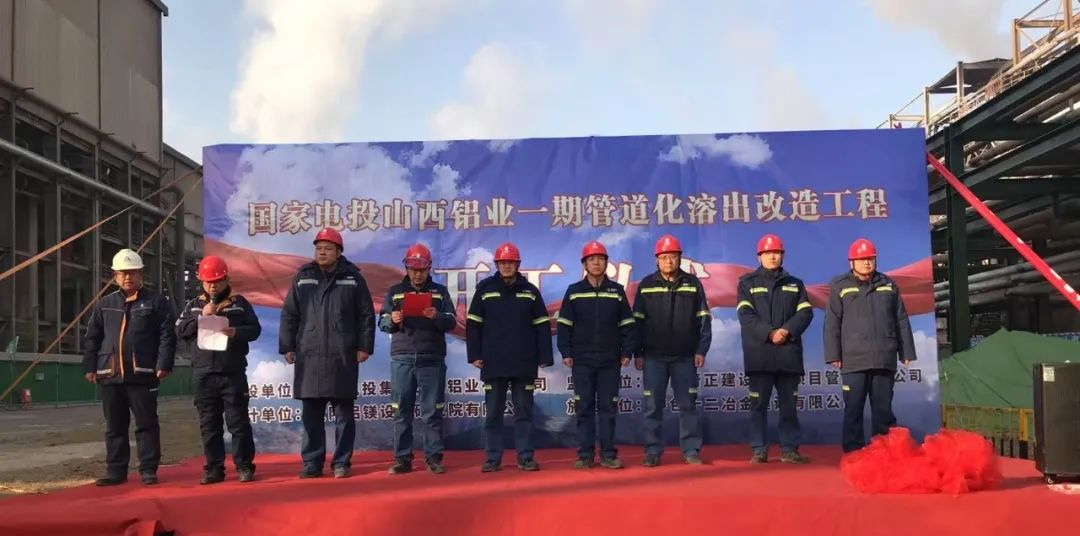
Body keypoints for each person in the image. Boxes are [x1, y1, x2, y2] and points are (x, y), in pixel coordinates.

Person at [279, 227, 375, 478]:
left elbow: (366, 314)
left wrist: (364, 346)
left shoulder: (353, 278)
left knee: (344, 415)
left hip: (342, 354)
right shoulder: (303, 278)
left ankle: (341, 462)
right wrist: (287, 346)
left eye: (327, 249)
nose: (322, 252)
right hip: (309, 354)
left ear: (339, 252)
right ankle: (312, 462)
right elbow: (289, 314)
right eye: (319, 248)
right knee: (311, 414)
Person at [82, 249, 176, 486]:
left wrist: (163, 363)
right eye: (123, 273)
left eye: (133, 272)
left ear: (141, 274)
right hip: (110, 375)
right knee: (114, 427)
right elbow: (92, 337)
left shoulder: (156, 302)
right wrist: (90, 366)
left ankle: (148, 470)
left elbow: (167, 335)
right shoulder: (105, 305)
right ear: (115, 276)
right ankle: (116, 471)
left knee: (146, 425)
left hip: (143, 375)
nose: (128, 277)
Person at [466, 242, 554, 472]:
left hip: (523, 362)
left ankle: (525, 457)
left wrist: (544, 355)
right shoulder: (485, 289)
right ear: (497, 264)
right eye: (503, 262)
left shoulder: (530, 292)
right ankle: (492, 458)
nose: (506, 266)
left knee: (524, 413)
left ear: (518, 264)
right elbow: (473, 324)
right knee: (493, 414)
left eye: (511, 262)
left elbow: (542, 325)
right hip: (493, 362)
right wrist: (474, 354)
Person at [824, 238, 917, 453]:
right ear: (852, 262)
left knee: (883, 411)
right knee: (853, 410)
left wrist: (906, 351)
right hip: (853, 360)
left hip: (884, 358)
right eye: (862, 259)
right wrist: (833, 354)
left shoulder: (888, 285)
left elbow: (901, 319)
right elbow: (832, 322)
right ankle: (853, 453)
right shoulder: (840, 286)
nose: (867, 263)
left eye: (870, 259)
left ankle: (884, 452)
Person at [176, 255, 262, 484]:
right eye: (208, 282)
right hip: (203, 373)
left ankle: (244, 467)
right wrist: (200, 317)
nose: (212, 286)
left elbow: (255, 330)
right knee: (209, 425)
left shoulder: (239, 303)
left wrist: (236, 332)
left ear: (226, 279)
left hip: (232, 373)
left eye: (217, 281)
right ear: (201, 282)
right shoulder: (194, 305)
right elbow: (180, 330)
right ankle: (214, 468)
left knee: (238, 423)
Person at [632, 234, 711, 466]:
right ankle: (652, 451)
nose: (668, 261)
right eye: (664, 257)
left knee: (687, 405)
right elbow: (637, 321)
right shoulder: (646, 285)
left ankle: (691, 450)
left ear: (680, 258)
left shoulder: (693, 284)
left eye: (673, 256)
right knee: (652, 406)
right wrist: (638, 352)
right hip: (653, 357)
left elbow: (703, 319)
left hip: (684, 357)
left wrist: (701, 349)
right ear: (657, 259)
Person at [556, 240, 635, 469]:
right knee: (584, 408)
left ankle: (609, 454)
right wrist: (566, 351)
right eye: (592, 259)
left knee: (609, 409)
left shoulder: (616, 291)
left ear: (606, 263)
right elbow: (564, 325)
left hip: (610, 360)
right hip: (582, 360)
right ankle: (586, 455)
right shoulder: (574, 291)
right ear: (585, 264)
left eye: (600, 259)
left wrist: (627, 352)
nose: (596, 263)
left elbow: (627, 324)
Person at [379, 243, 456, 475]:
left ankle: (433, 458)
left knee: (432, 411)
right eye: (413, 269)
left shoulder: (440, 292)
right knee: (401, 411)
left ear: (429, 268)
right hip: (402, 357)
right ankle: (402, 459)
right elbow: (382, 322)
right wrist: (392, 319)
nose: (417, 274)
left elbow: (452, 321)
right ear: (407, 268)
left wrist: (437, 316)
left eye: (421, 269)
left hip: (431, 358)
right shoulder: (395, 292)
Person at [735, 234, 813, 464]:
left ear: (782, 256)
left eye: (776, 253)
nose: (772, 257)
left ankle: (789, 449)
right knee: (758, 406)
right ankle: (759, 449)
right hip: (760, 355)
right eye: (768, 253)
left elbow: (805, 312)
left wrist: (786, 330)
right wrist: (770, 333)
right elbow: (745, 315)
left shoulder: (795, 284)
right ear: (759, 256)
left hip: (788, 354)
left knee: (789, 407)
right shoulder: (747, 283)